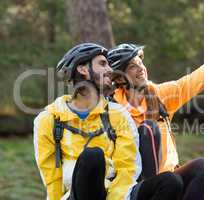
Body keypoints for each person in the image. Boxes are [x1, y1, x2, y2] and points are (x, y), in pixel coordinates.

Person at [107, 26, 204, 199]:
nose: (141, 68)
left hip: (170, 179)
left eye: (140, 62)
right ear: (120, 78)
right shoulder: (112, 109)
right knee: (151, 137)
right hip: (135, 186)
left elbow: (194, 81)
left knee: (203, 167)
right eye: (132, 66)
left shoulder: (160, 95)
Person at [33, 43, 183, 200]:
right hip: (76, 194)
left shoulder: (118, 114)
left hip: (117, 194)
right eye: (102, 64)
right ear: (83, 69)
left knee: (171, 182)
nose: (110, 70)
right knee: (93, 156)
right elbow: (52, 178)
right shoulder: (48, 120)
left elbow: (128, 167)